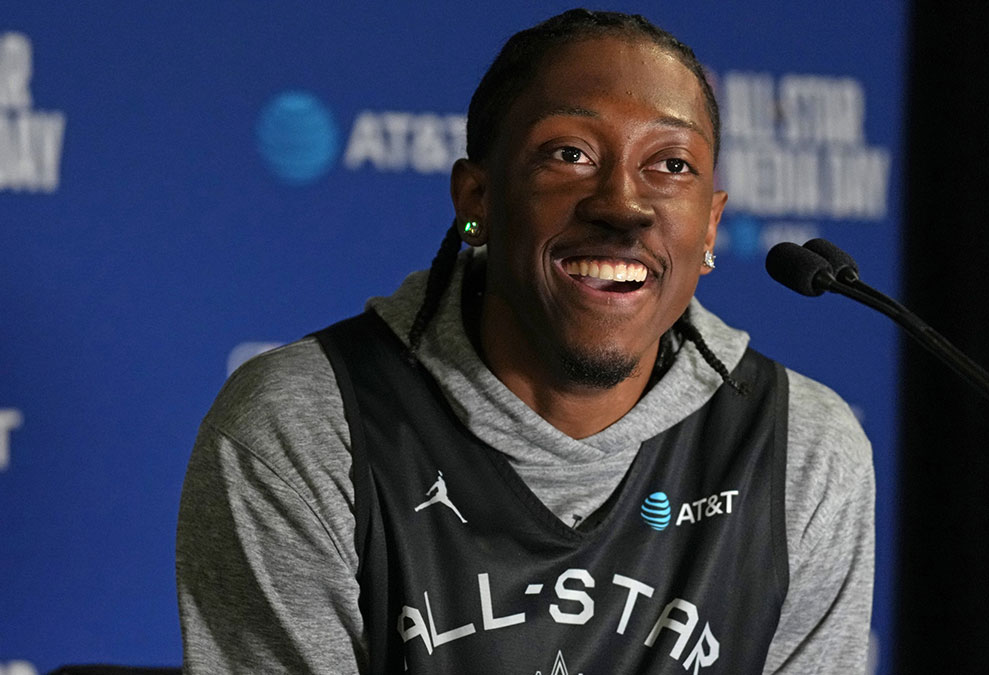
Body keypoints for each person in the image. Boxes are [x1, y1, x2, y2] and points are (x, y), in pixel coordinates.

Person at [176, 9, 874, 674]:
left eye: (671, 165)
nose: (623, 207)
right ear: (476, 199)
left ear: (711, 225)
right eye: (569, 154)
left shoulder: (801, 449)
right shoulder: (310, 426)